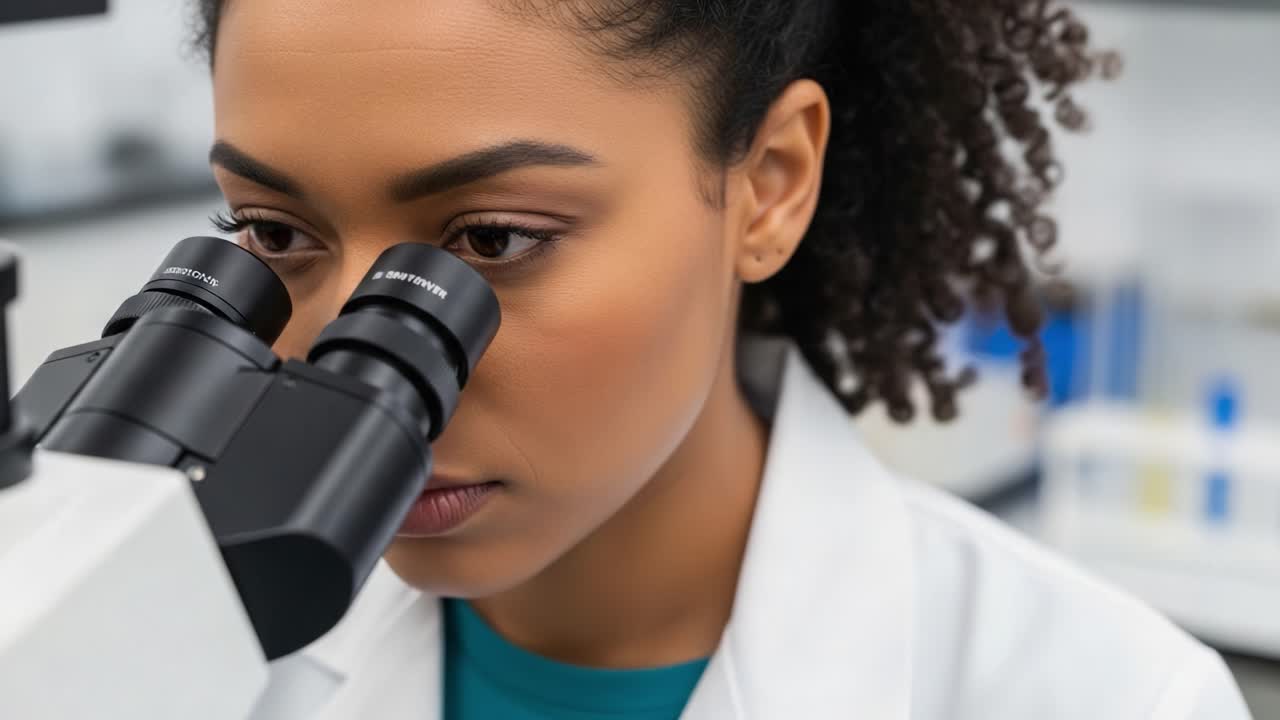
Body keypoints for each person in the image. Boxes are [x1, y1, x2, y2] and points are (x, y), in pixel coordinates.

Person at [194, 1, 1251, 718]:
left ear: (772, 184)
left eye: (492, 241)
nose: (351, 367)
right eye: (275, 234)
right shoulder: (184, 647)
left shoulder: (1103, 694)